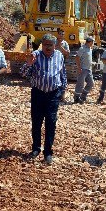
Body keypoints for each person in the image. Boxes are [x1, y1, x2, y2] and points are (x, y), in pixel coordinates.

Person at [21, 33, 68, 164]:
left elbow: (63, 73)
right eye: (45, 44)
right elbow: (23, 73)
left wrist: (63, 91)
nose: (48, 47)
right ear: (42, 44)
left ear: (54, 45)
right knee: (36, 121)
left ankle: (48, 152)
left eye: (50, 45)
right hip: (38, 93)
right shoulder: (35, 55)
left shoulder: (59, 56)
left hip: (53, 94)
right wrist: (29, 63)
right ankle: (36, 148)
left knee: (51, 123)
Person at [74, 36, 95, 103]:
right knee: (80, 84)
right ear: (90, 42)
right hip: (83, 69)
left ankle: (83, 95)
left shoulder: (90, 48)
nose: (93, 43)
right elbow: (77, 57)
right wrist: (79, 67)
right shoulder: (82, 48)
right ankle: (76, 98)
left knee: (91, 83)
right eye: (92, 42)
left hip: (89, 69)